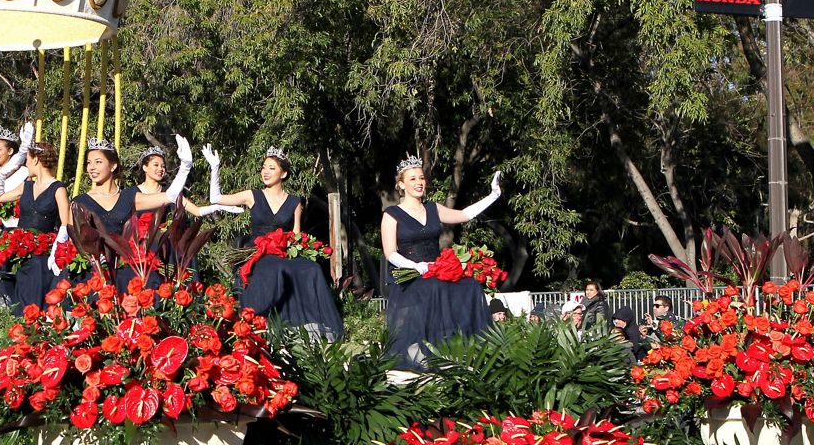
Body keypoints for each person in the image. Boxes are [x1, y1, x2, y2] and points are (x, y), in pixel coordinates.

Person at [204, 145, 344, 339]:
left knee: (311, 268)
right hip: (257, 251)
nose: (265, 172)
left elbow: (296, 235)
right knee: (276, 268)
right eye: (263, 167)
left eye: (271, 168)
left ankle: (312, 324)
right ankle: (264, 321)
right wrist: (215, 167)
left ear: (283, 173)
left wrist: (303, 250)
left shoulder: (295, 202)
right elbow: (215, 199)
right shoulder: (252, 195)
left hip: (282, 251)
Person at [377, 154, 501, 369]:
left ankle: (468, 349)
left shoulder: (433, 208)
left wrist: (493, 196)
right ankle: (425, 353)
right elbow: (390, 253)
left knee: (470, 284)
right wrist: (416, 266)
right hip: (410, 275)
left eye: (422, 178)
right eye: (413, 179)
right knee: (434, 287)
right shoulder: (392, 214)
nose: (419, 183)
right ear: (401, 185)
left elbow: (464, 214)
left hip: (437, 270)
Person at [73, 136, 193, 290]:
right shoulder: (80, 202)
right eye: (89, 163)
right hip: (95, 276)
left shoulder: (129, 197)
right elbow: (75, 238)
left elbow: (170, 196)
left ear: (113, 165)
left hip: (127, 273)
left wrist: (185, 167)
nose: (92, 167)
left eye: (98, 162)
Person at [0, 142, 71, 315]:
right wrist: (3, 175)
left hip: (44, 252)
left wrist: (57, 250)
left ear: (36, 159)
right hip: (21, 247)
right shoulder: (26, 186)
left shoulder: (58, 189)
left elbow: (66, 225)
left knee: (37, 269)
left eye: (28, 159)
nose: (26, 163)